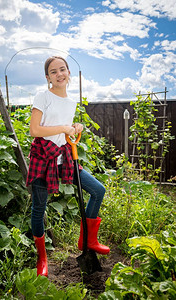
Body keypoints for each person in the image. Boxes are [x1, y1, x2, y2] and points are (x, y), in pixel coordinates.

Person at [26, 56, 110, 277]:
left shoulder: (71, 102)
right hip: (43, 159)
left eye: (62, 69)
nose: (59, 74)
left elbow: (65, 132)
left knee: (97, 190)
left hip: (64, 157)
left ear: (69, 72)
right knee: (39, 209)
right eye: (53, 72)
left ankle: (89, 240)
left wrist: (75, 126)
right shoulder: (42, 96)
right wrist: (64, 126)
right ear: (48, 77)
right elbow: (35, 130)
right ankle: (42, 258)